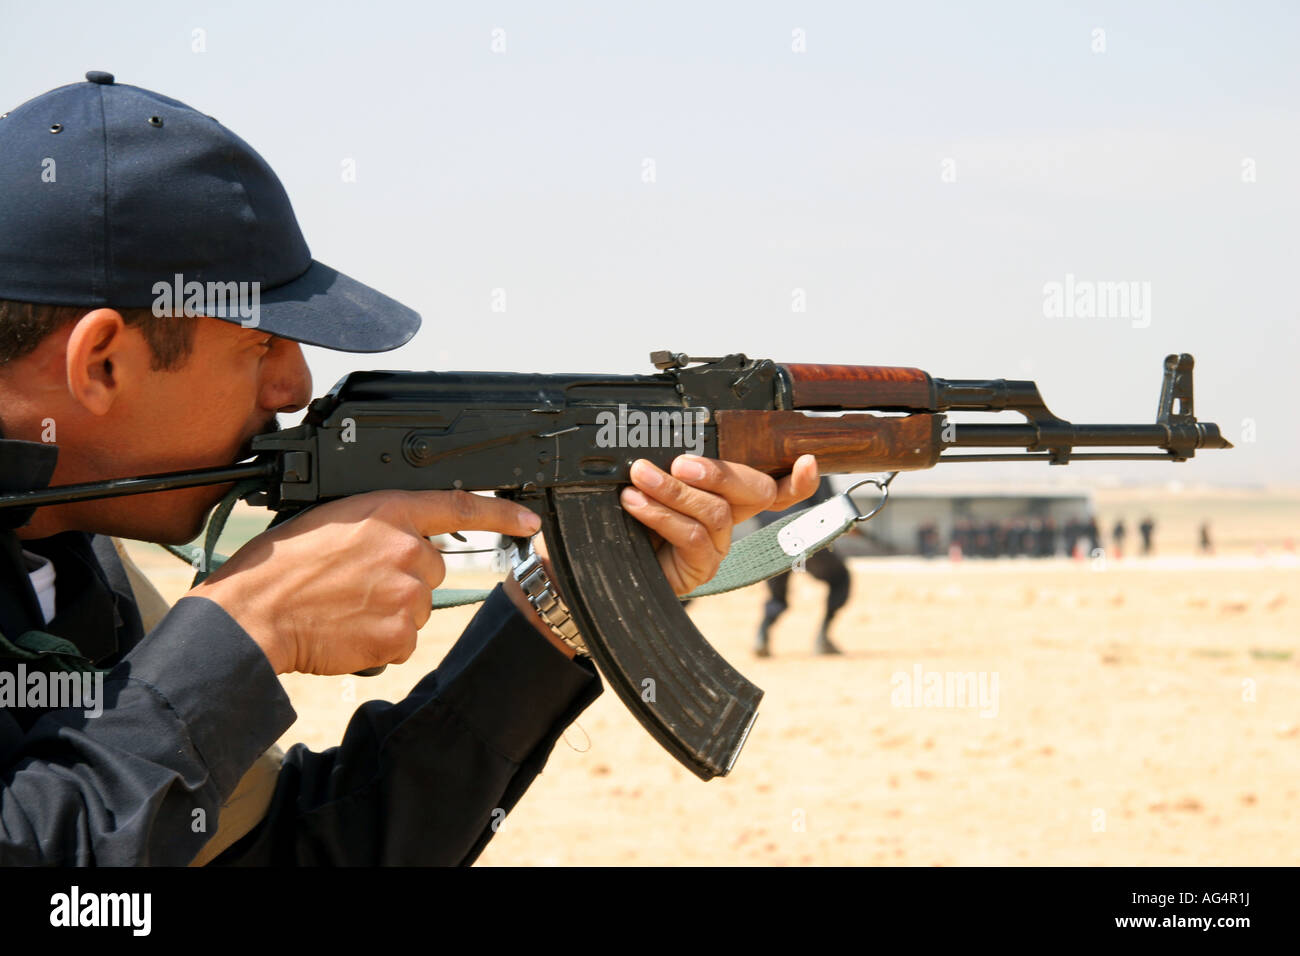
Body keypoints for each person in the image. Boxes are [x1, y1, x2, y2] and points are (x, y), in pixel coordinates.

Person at [0, 73, 819, 865]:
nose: (294, 386)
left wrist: (563, 604)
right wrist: (240, 631)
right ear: (101, 364)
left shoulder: (68, 556)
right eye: (260, 345)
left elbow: (292, 851)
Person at [753, 478, 851, 657]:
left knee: (777, 596)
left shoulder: (763, 467)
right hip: (804, 537)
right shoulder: (813, 467)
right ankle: (823, 637)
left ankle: (762, 636)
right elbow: (828, 506)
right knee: (840, 579)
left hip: (770, 542)